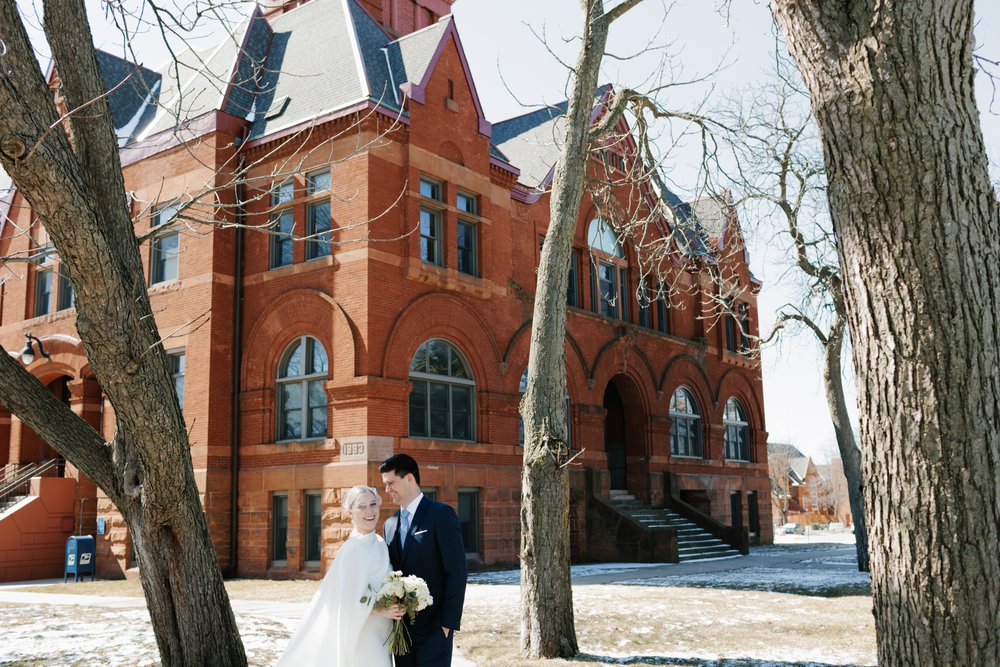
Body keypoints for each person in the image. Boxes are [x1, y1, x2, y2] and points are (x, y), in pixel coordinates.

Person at [275, 485, 404, 667]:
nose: (369, 511)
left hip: (382, 630)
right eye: (362, 506)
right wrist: (381, 610)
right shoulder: (353, 549)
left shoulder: (380, 543)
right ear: (350, 513)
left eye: (373, 504)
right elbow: (348, 599)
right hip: (363, 635)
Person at [380, 454, 467, 667]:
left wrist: (447, 624)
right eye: (385, 484)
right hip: (401, 632)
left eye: (391, 483)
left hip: (435, 629)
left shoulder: (441, 514)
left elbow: (456, 571)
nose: (387, 489)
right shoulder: (389, 524)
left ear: (409, 478)